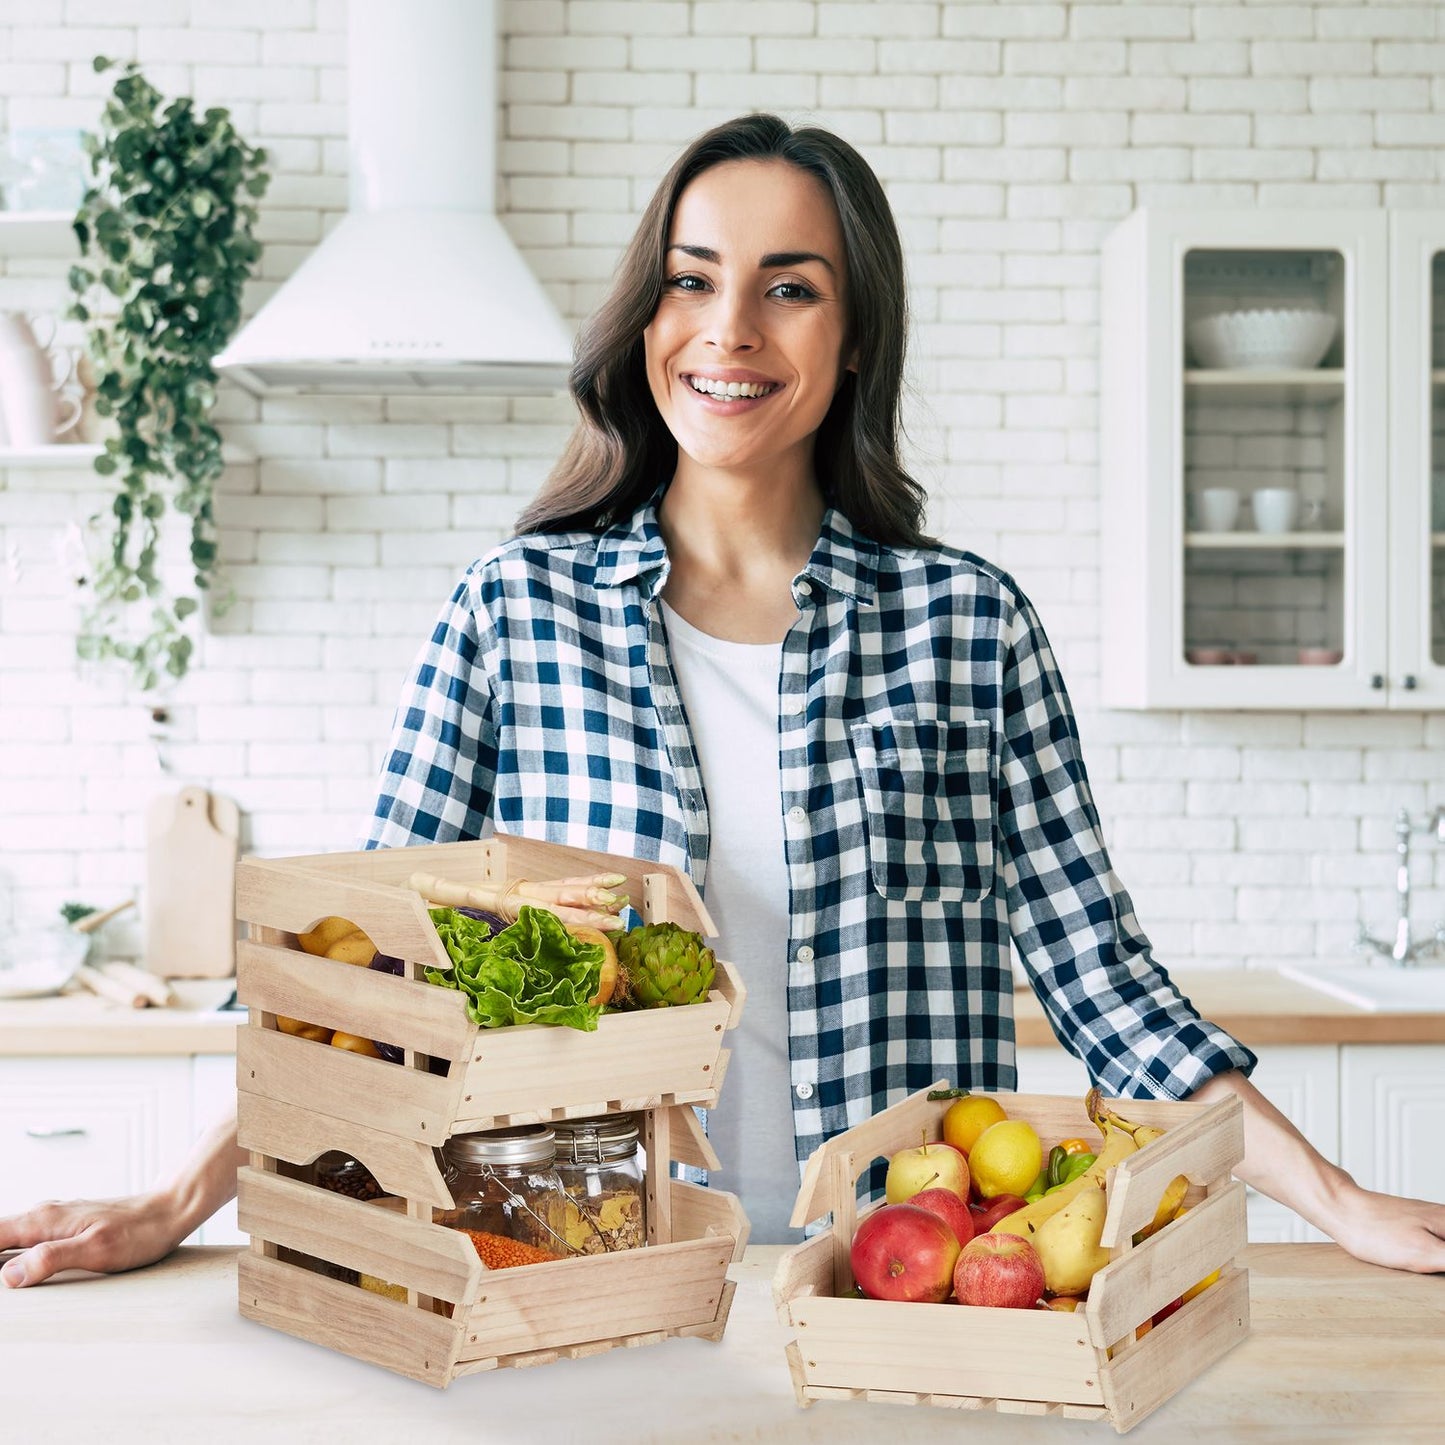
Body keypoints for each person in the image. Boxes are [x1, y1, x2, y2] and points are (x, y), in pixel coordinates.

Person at [4, 114, 1442, 1286]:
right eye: (691, 278)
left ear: (854, 335)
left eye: (789, 285)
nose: (730, 326)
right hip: (571, 1270)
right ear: (645, 320)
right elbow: (356, 977)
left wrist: (1341, 1201)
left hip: (895, 1286)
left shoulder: (968, 627)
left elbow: (1107, 992)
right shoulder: (514, 609)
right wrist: (176, 1202)